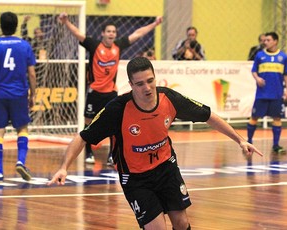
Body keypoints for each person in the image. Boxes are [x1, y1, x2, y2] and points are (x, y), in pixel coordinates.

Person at [48, 57, 263, 229]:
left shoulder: (169, 98)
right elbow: (83, 136)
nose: (147, 88)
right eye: (140, 84)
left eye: (150, 81)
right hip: (136, 178)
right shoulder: (117, 110)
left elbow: (208, 115)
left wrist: (240, 140)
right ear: (131, 85)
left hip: (166, 169)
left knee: (181, 222)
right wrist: (63, 167)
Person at [58, 12, 163, 165]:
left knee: (115, 123)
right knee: (89, 123)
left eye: (114, 32)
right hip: (94, 92)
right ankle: (88, 152)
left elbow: (137, 34)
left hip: (111, 93)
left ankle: (111, 155)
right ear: (103, 34)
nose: (111, 34)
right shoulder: (94, 45)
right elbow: (78, 34)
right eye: (109, 31)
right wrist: (66, 22)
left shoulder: (118, 46)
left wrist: (154, 24)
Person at [0, 11, 36, 182]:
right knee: (22, 129)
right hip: (19, 93)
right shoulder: (24, 45)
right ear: (16, 25)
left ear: (1, 26)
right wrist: (33, 95)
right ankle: (21, 161)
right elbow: (31, 74)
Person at [247, 32, 287, 154]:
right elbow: (254, 71)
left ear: (275, 41)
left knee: (277, 118)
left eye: (268, 40)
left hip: (276, 94)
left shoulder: (283, 57)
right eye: (264, 40)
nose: (265, 42)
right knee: (254, 117)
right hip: (262, 94)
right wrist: (257, 78)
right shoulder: (260, 55)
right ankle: (249, 141)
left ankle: (275, 145)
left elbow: (285, 75)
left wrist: (286, 90)